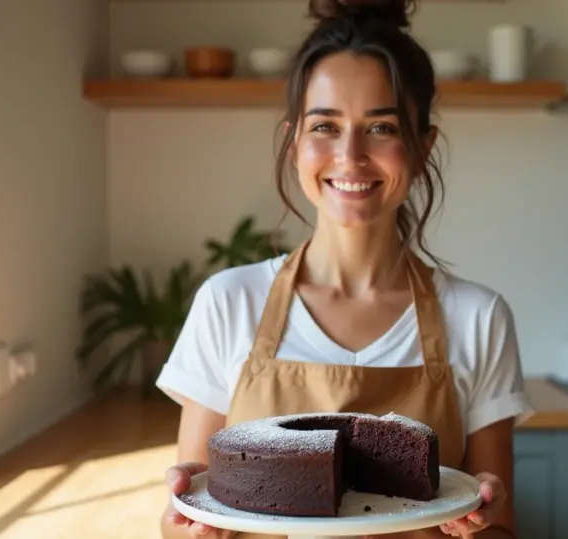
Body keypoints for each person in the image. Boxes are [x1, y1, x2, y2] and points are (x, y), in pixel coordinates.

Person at [156, 0, 534, 537]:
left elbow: (500, 529)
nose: (350, 155)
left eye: (381, 127)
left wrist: (483, 521)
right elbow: (180, 524)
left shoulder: (478, 317)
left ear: (423, 147)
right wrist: (190, 521)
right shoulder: (228, 303)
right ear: (294, 143)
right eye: (325, 126)